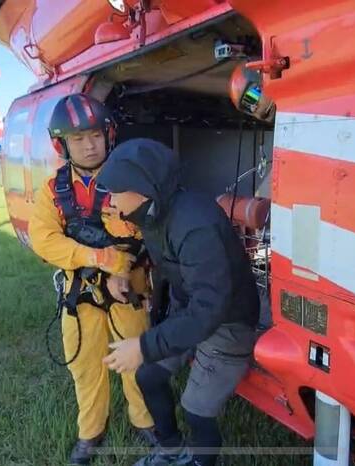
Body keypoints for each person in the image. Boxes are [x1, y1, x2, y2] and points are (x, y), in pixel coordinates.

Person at [97, 138, 260, 466]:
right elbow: (168, 268)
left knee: (195, 410)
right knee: (148, 376)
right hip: (193, 312)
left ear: (143, 189)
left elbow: (210, 309)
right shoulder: (155, 213)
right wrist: (136, 288)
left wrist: (144, 346)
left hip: (229, 321)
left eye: (115, 191)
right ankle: (170, 450)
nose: (110, 200)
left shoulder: (195, 224)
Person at [27, 94, 156, 465]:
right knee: (84, 363)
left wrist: (122, 265)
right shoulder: (53, 190)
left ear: (108, 135)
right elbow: (45, 240)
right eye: (78, 138)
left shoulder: (131, 179)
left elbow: (141, 231)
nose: (89, 144)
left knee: (136, 358)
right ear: (62, 144)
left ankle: (145, 420)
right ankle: (91, 432)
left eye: (96, 135)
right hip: (80, 291)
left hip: (128, 288)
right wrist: (100, 259)